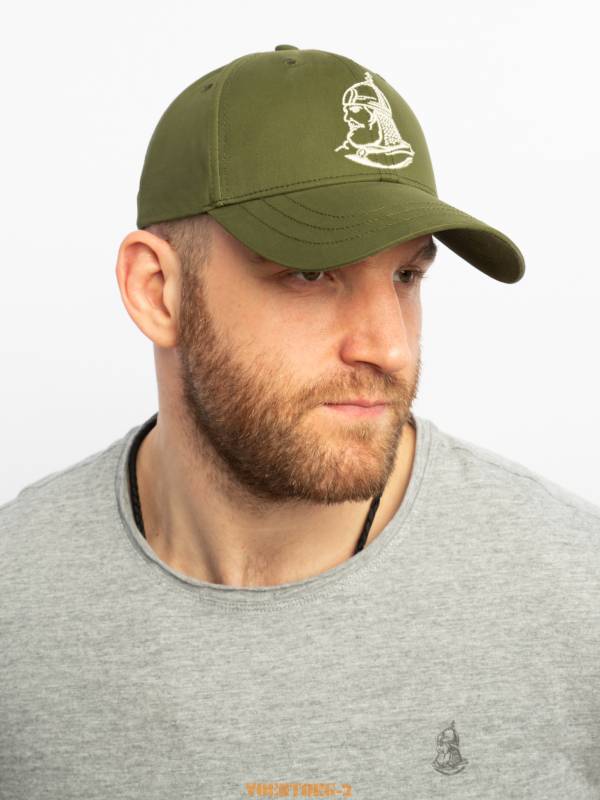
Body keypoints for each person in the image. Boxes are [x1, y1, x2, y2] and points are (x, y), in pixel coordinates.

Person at [1, 45, 598, 798]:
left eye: (407, 275)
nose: (389, 347)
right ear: (157, 291)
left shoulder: (577, 597)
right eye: (311, 273)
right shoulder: (17, 604)